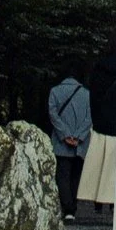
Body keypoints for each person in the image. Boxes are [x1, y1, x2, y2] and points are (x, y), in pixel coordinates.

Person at [76, 49, 116, 217]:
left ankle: (99, 203)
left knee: (101, 164)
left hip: (103, 124)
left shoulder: (99, 70)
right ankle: (115, 203)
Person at [46, 74, 92, 218]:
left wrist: (65, 134)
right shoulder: (86, 94)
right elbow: (89, 118)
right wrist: (78, 136)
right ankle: (73, 207)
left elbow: (53, 114)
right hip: (80, 143)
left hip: (61, 142)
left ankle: (67, 208)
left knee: (62, 175)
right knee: (76, 176)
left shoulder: (54, 91)